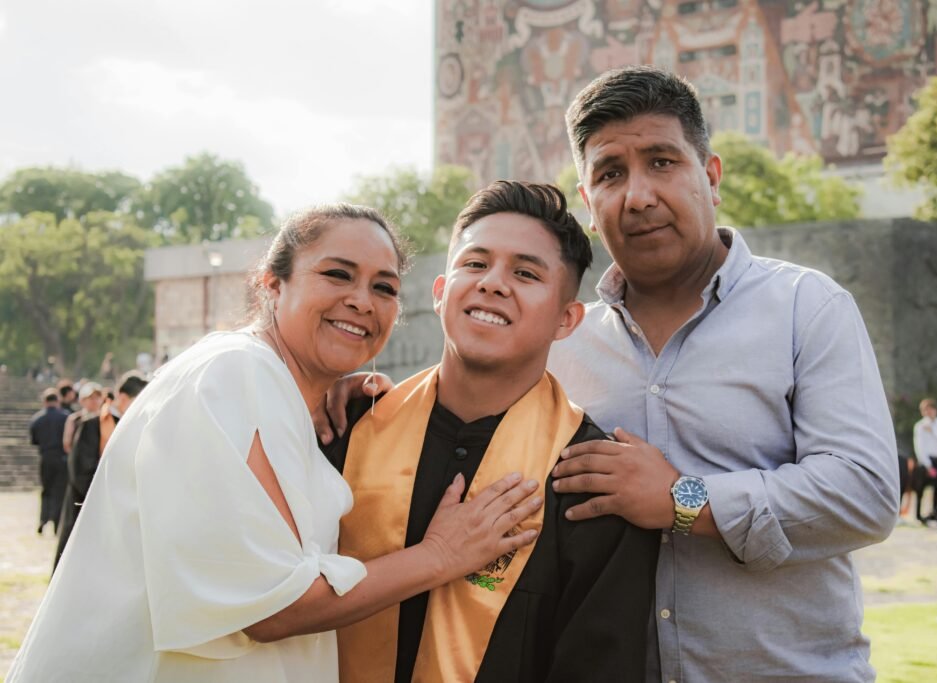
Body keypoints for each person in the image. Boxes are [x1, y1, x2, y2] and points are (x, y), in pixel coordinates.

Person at [7, 205, 541, 683]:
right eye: (337, 274)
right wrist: (441, 554)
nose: (361, 300)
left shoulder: (283, 396)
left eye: (384, 287)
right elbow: (272, 608)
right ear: (272, 284)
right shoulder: (233, 373)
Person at [545, 66, 898, 681]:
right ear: (589, 208)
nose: (639, 195)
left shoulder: (806, 307)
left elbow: (864, 494)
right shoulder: (560, 346)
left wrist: (685, 500)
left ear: (711, 176)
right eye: (610, 173)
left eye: (662, 162)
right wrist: (364, 399)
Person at [325, 182, 658, 682]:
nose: (493, 283)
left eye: (525, 273)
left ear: (568, 320)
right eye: (475, 264)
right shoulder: (349, 429)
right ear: (440, 293)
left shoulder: (591, 481)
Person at [54, 372, 149, 569]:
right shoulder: (93, 425)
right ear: (123, 398)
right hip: (89, 506)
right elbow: (81, 472)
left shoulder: (130, 425)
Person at [28, 389, 70, 535]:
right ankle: (57, 521)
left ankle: (43, 519)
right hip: (61, 457)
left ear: (45, 402)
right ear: (57, 401)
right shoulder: (65, 417)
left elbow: (34, 440)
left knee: (46, 490)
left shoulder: (37, 419)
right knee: (60, 491)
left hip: (45, 457)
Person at [912, 398, 937, 527]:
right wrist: (927, 465)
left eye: (930, 410)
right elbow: (919, 447)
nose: (928, 413)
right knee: (920, 488)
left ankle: (935, 511)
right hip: (925, 461)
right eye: (925, 410)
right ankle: (918, 515)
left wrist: (933, 431)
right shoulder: (919, 426)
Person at [61, 381, 104, 455]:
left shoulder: (106, 419)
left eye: (98, 397)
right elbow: (67, 445)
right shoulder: (74, 419)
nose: (95, 400)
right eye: (91, 398)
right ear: (82, 400)